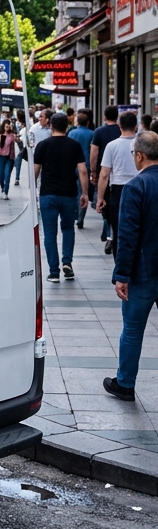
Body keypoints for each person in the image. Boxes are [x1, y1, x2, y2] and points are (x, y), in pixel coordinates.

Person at [103, 130, 158, 402]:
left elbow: (127, 236)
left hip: (143, 272)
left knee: (133, 329)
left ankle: (125, 384)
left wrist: (121, 274)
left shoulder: (136, 187)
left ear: (139, 155)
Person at [34, 112, 89, 283]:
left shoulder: (42, 145)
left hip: (48, 194)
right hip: (69, 194)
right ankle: (67, 263)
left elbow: (34, 172)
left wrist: (31, 194)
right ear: (67, 126)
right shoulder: (74, 145)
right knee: (68, 229)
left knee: (49, 234)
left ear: (51, 125)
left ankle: (53, 272)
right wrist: (85, 193)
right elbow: (83, 171)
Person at [96, 110, 139, 264]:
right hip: (140, 187)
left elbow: (104, 175)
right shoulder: (141, 144)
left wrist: (100, 198)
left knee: (119, 229)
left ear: (119, 126)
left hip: (118, 190)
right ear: (136, 126)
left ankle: (120, 265)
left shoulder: (111, 146)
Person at [90, 106, 121, 252]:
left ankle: (110, 234)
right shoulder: (121, 130)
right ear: (117, 116)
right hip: (120, 173)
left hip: (105, 172)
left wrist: (94, 172)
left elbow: (94, 153)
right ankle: (112, 235)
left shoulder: (99, 132)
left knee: (104, 205)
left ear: (104, 117)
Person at [68, 109, 94, 229]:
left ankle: (74, 214)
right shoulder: (92, 134)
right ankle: (80, 218)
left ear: (77, 122)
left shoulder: (72, 133)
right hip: (85, 166)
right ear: (87, 123)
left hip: (72, 165)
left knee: (74, 191)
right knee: (83, 191)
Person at [0, 118, 16, 198]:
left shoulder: (12, 136)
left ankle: (6, 192)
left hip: (9, 157)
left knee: (7, 174)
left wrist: (13, 158)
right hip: (0, 157)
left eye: (9, 127)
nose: (7, 128)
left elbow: (13, 147)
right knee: (0, 176)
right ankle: (3, 187)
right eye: (6, 126)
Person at [14, 108, 28, 186]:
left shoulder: (22, 126)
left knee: (18, 161)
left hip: (22, 146)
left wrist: (17, 138)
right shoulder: (21, 124)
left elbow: (21, 138)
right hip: (23, 146)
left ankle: (17, 178)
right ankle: (17, 177)